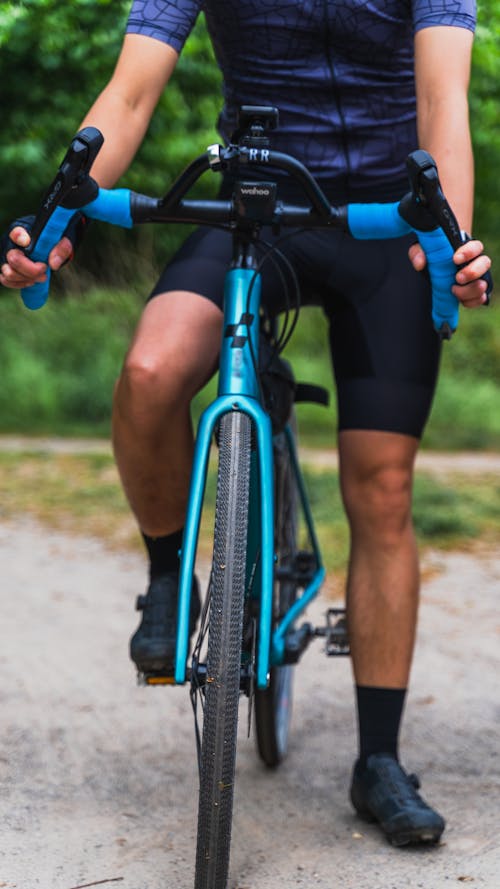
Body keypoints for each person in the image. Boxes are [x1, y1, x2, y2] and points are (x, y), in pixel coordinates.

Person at [0, 0, 492, 848]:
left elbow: (442, 100)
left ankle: (379, 759)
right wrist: (57, 221)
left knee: (381, 486)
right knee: (152, 374)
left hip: (387, 226)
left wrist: (454, 238)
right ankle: (167, 576)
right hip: (257, 213)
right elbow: (129, 94)